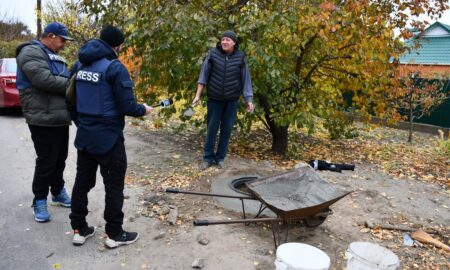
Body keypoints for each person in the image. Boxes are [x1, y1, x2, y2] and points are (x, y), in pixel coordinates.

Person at [68, 25, 152, 248]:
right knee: (114, 186)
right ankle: (114, 233)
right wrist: (144, 109)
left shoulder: (79, 64)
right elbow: (127, 106)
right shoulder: (115, 68)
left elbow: (69, 100)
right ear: (118, 45)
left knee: (82, 183)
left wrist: (82, 123)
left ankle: (79, 229)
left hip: (85, 136)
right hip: (109, 138)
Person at [16, 22, 74, 223]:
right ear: (50, 35)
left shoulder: (54, 55)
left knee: (60, 158)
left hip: (59, 116)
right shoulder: (30, 52)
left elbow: (60, 77)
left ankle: (57, 192)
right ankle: (39, 200)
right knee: (47, 160)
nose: (64, 44)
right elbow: (44, 80)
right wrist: (74, 85)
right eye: (62, 40)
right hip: (41, 117)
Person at [192, 30, 254, 170]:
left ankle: (220, 158)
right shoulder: (213, 54)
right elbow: (203, 75)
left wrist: (248, 99)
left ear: (234, 42)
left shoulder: (240, 57)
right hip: (214, 99)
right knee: (212, 129)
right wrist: (198, 95)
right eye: (223, 39)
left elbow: (246, 79)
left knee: (226, 130)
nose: (224, 42)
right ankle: (208, 158)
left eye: (228, 39)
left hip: (231, 101)